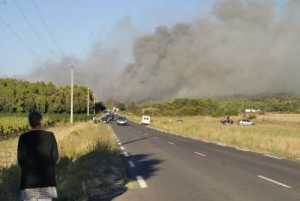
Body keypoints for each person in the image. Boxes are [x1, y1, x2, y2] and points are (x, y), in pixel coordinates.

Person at [17, 111, 59, 201]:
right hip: (47, 182)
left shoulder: (23, 138)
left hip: (28, 184)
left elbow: (20, 160)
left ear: (29, 122)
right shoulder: (50, 136)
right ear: (41, 121)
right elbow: (55, 157)